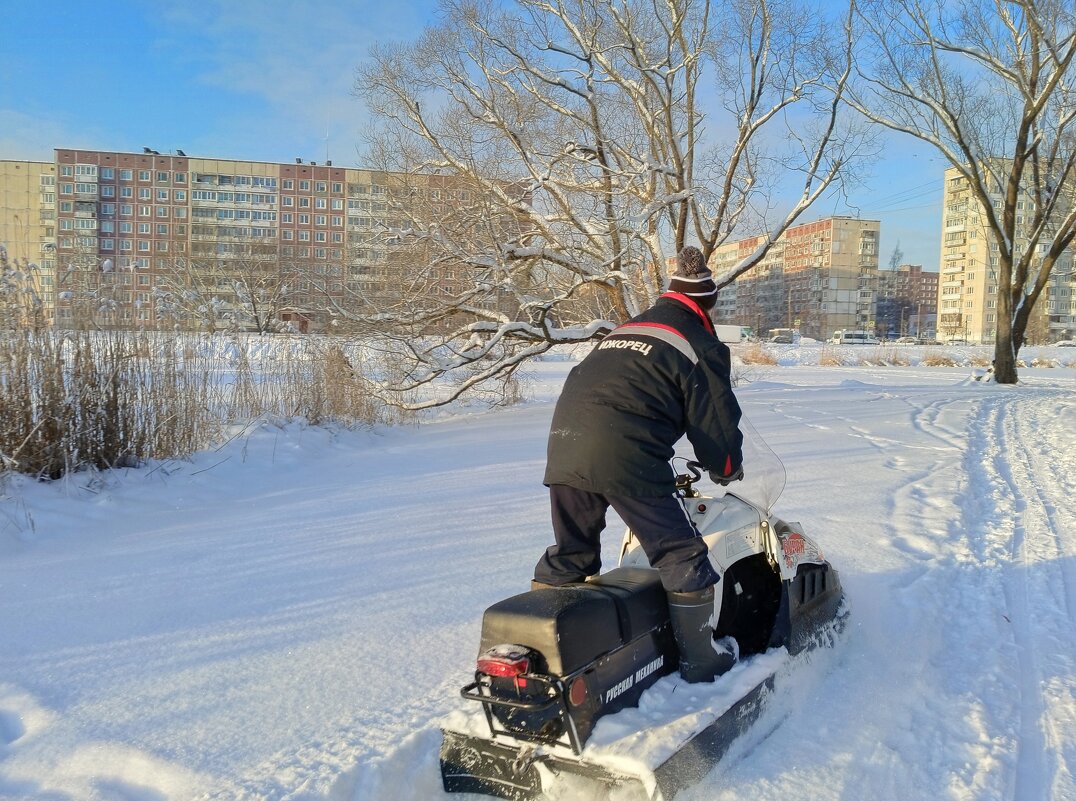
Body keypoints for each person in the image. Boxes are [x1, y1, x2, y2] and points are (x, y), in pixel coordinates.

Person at [533, 245, 744, 682]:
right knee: (680, 553)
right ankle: (701, 661)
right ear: (708, 304)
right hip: (626, 452)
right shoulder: (699, 341)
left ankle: (548, 657)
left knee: (571, 553)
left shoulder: (630, 327)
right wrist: (725, 465)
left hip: (565, 443)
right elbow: (715, 419)